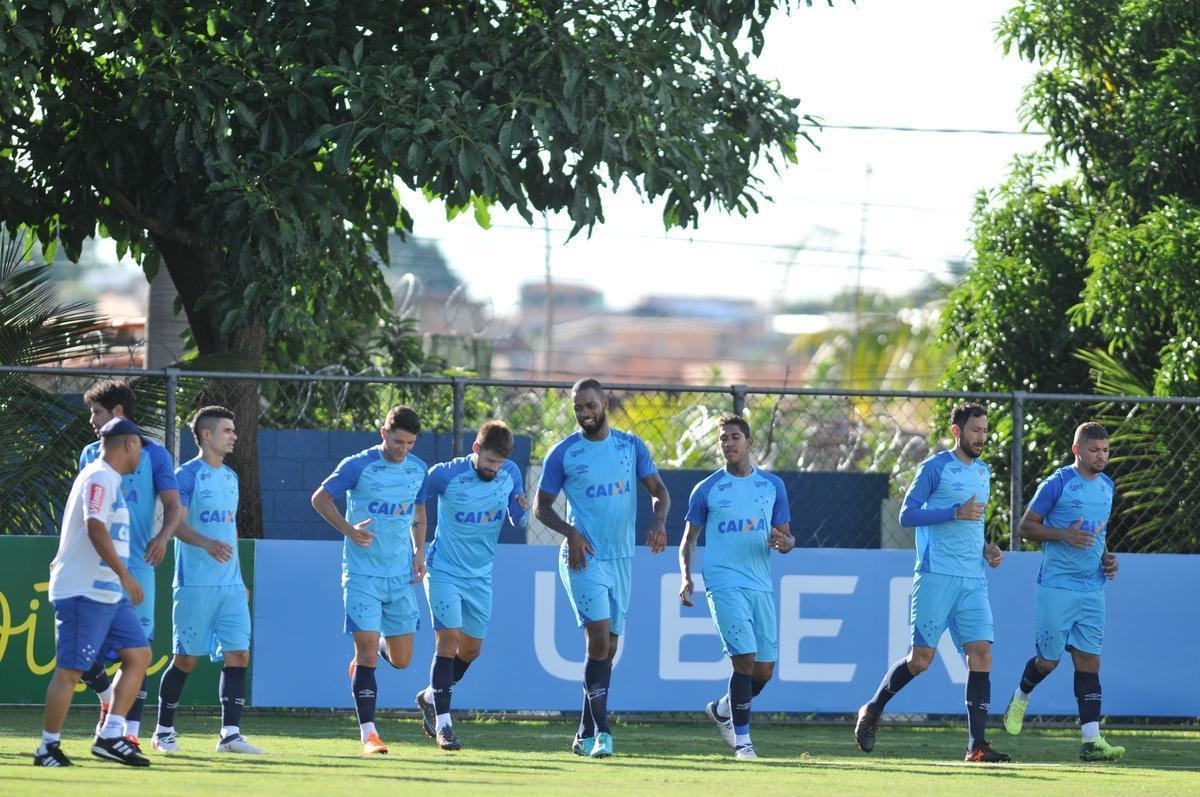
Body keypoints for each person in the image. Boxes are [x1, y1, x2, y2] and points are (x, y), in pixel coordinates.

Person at [854, 402, 1011, 763]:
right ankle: (873, 709)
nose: (981, 437)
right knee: (921, 660)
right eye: (975, 430)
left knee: (982, 654)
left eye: (985, 430)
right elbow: (907, 515)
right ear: (957, 431)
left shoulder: (984, 471)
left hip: (972, 577)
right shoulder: (935, 467)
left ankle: (977, 746)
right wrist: (953, 512)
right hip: (936, 574)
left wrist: (986, 548)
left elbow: (973, 523)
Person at [534, 378, 670, 758]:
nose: (584, 413)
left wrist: (659, 522)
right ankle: (603, 733)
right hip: (584, 556)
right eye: (578, 408)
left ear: (605, 403)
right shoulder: (563, 453)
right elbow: (541, 507)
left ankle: (583, 732)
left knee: (608, 648)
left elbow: (659, 490)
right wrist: (571, 533)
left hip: (621, 558)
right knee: (597, 640)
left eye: (590, 405)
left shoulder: (630, 446)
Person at [34, 418, 154, 767]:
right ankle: (47, 748)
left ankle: (110, 735)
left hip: (107, 593)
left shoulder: (110, 479)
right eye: (140, 447)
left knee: (139, 655)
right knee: (70, 671)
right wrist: (124, 575)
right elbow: (95, 526)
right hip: (83, 590)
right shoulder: (99, 476)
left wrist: (118, 580)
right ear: (129, 444)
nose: (142, 455)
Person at [1001, 422, 1124, 761]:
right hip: (1056, 586)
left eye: (1105, 450)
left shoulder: (1108, 486)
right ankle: (1020, 696)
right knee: (1049, 661)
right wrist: (1063, 534)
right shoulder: (1057, 483)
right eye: (1094, 450)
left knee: (1089, 660)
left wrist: (1106, 558)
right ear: (1077, 450)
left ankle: (1091, 741)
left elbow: (1098, 535)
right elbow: (1025, 527)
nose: (1101, 456)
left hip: (1093, 587)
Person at [311, 406, 428, 755]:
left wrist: (419, 551)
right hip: (361, 574)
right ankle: (369, 735)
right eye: (398, 441)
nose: (403, 449)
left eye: (409, 443)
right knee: (365, 653)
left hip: (400, 576)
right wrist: (348, 529)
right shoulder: (357, 465)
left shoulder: (418, 469)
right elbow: (320, 498)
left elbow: (419, 511)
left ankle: (375, 645)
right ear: (384, 433)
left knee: (402, 660)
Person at [678, 415, 794, 760]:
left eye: (734, 437)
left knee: (764, 670)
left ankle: (723, 709)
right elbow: (688, 539)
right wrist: (686, 576)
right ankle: (743, 743)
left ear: (749, 442)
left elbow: (786, 536)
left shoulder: (772, 485)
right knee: (743, 660)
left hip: (760, 583)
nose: (728, 443)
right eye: (723, 439)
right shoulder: (707, 488)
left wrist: (785, 543)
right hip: (723, 581)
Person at [76, 380, 182, 745]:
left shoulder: (155, 455)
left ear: (117, 412)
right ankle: (107, 698)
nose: (91, 419)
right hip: (95, 567)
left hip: (138, 567)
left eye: (97, 412)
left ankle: (128, 733)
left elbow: (173, 505)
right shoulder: (90, 455)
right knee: (83, 654)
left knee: (136, 652)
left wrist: (163, 537)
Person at [152, 406, 262, 755]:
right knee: (186, 660)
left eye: (234, 430)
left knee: (239, 655)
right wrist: (205, 543)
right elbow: (175, 524)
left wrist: (239, 580)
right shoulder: (186, 476)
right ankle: (163, 732)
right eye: (227, 430)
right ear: (206, 434)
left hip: (230, 586)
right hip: (195, 584)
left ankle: (230, 735)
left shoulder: (231, 477)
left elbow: (228, 531)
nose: (234, 436)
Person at [414, 420, 528, 751]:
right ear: (476, 449)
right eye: (490, 461)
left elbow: (516, 517)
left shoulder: (510, 473)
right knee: (448, 642)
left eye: (500, 463)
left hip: (480, 575)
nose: (495, 468)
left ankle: (429, 696)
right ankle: (444, 726)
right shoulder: (444, 474)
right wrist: (416, 548)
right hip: (444, 569)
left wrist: (521, 511)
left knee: (470, 650)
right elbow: (417, 501)